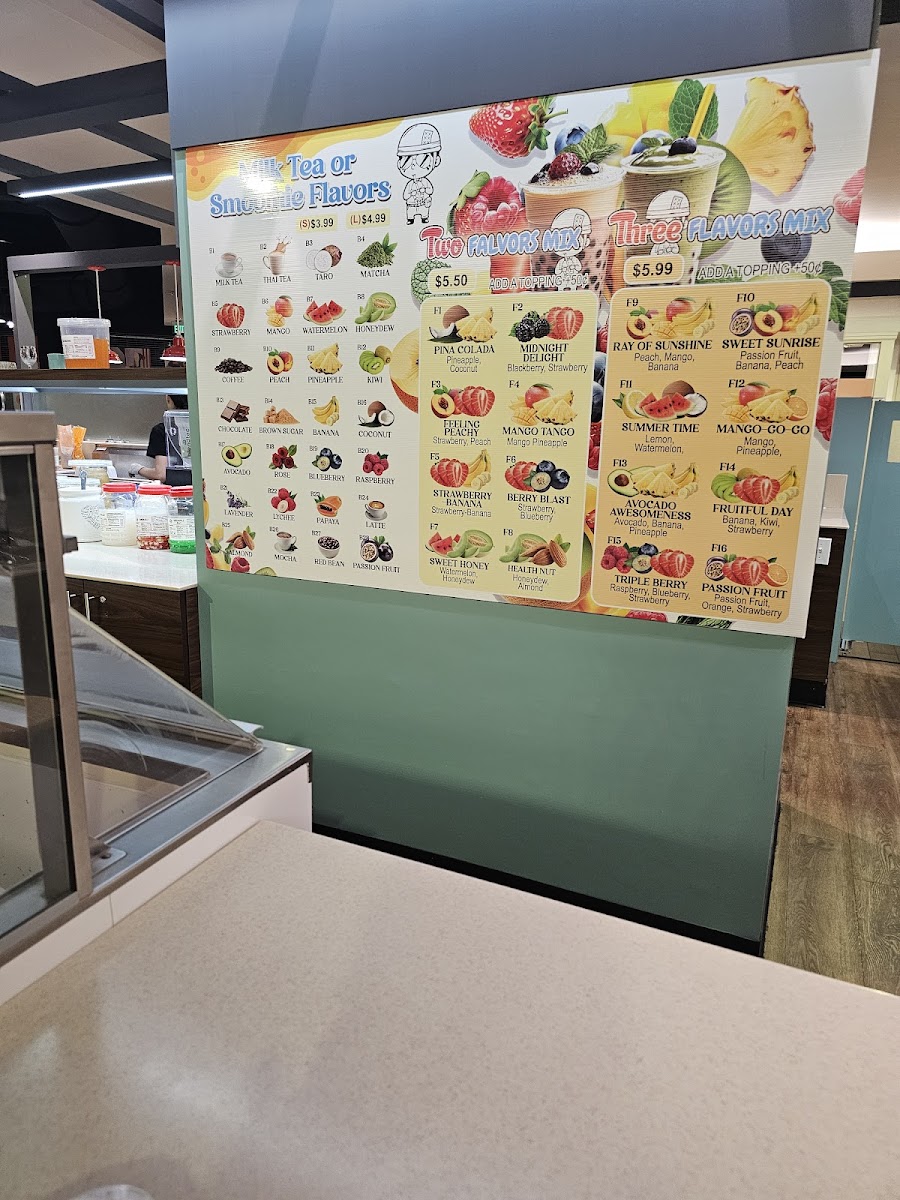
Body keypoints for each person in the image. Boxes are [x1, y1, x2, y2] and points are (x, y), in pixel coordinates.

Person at [130, 394, 191, 486]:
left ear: (168, 399)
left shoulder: (162, 430)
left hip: (175, 490)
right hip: (203, 488)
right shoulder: (202, 426)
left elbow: (161, 474)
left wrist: (137, 469)